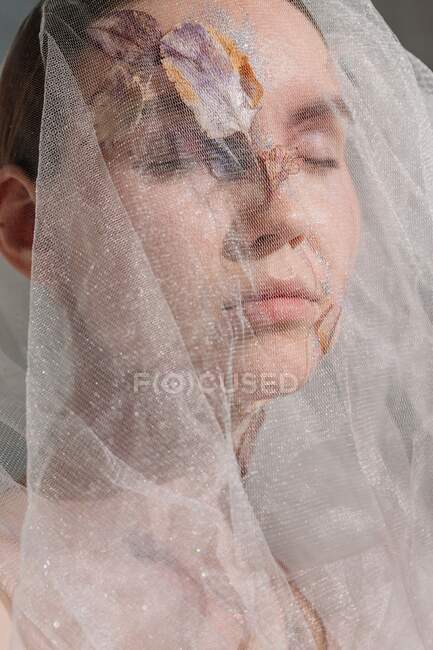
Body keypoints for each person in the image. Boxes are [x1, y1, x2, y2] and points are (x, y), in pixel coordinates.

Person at [0, 0, 432, 647]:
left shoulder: (371, 583)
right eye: (175, 153)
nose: (282, 216)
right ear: (31, 228)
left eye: (315, 154)